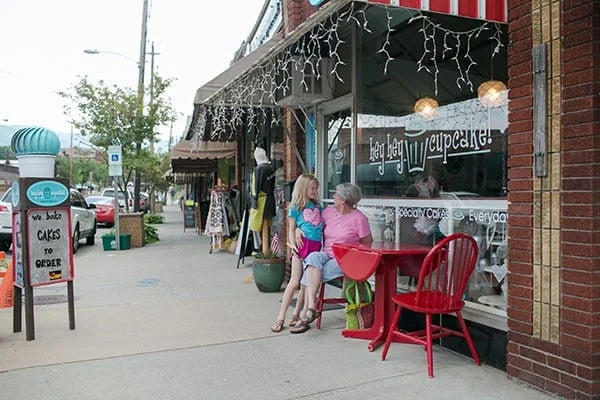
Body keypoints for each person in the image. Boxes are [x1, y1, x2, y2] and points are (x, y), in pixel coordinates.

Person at [290, 182, 373, 334]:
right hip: (327, 254)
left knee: (311, 269)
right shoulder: (328, 212)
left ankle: (306, 314)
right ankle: (311, 308)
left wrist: (356, 256)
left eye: (336, 195)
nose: (333, 196)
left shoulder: (359, 219)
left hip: (345, 259)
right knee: (313, 258)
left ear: (343, 200)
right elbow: (311, 223)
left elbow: (367, 242)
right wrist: (298, 229)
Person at [271, 174, 323, 333]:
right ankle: (280, 316)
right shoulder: (295, 207)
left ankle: (298, 315)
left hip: (315, 248)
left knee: (306, 284)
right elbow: (291, 229)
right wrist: (293, 244)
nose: (315, 191)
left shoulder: (318, 206)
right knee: (294, 282)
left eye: (316, 188)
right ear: (303, 188)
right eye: (312, 188)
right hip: (301, 247)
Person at [249, 147, 277, 254]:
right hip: (270, 198)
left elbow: (256, 187)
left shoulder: (259, 169)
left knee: (259, 223)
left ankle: (264, 251)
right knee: (267, 224)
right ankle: (265, 249)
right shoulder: (271, 168)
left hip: (261, 201)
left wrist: (254, 200)